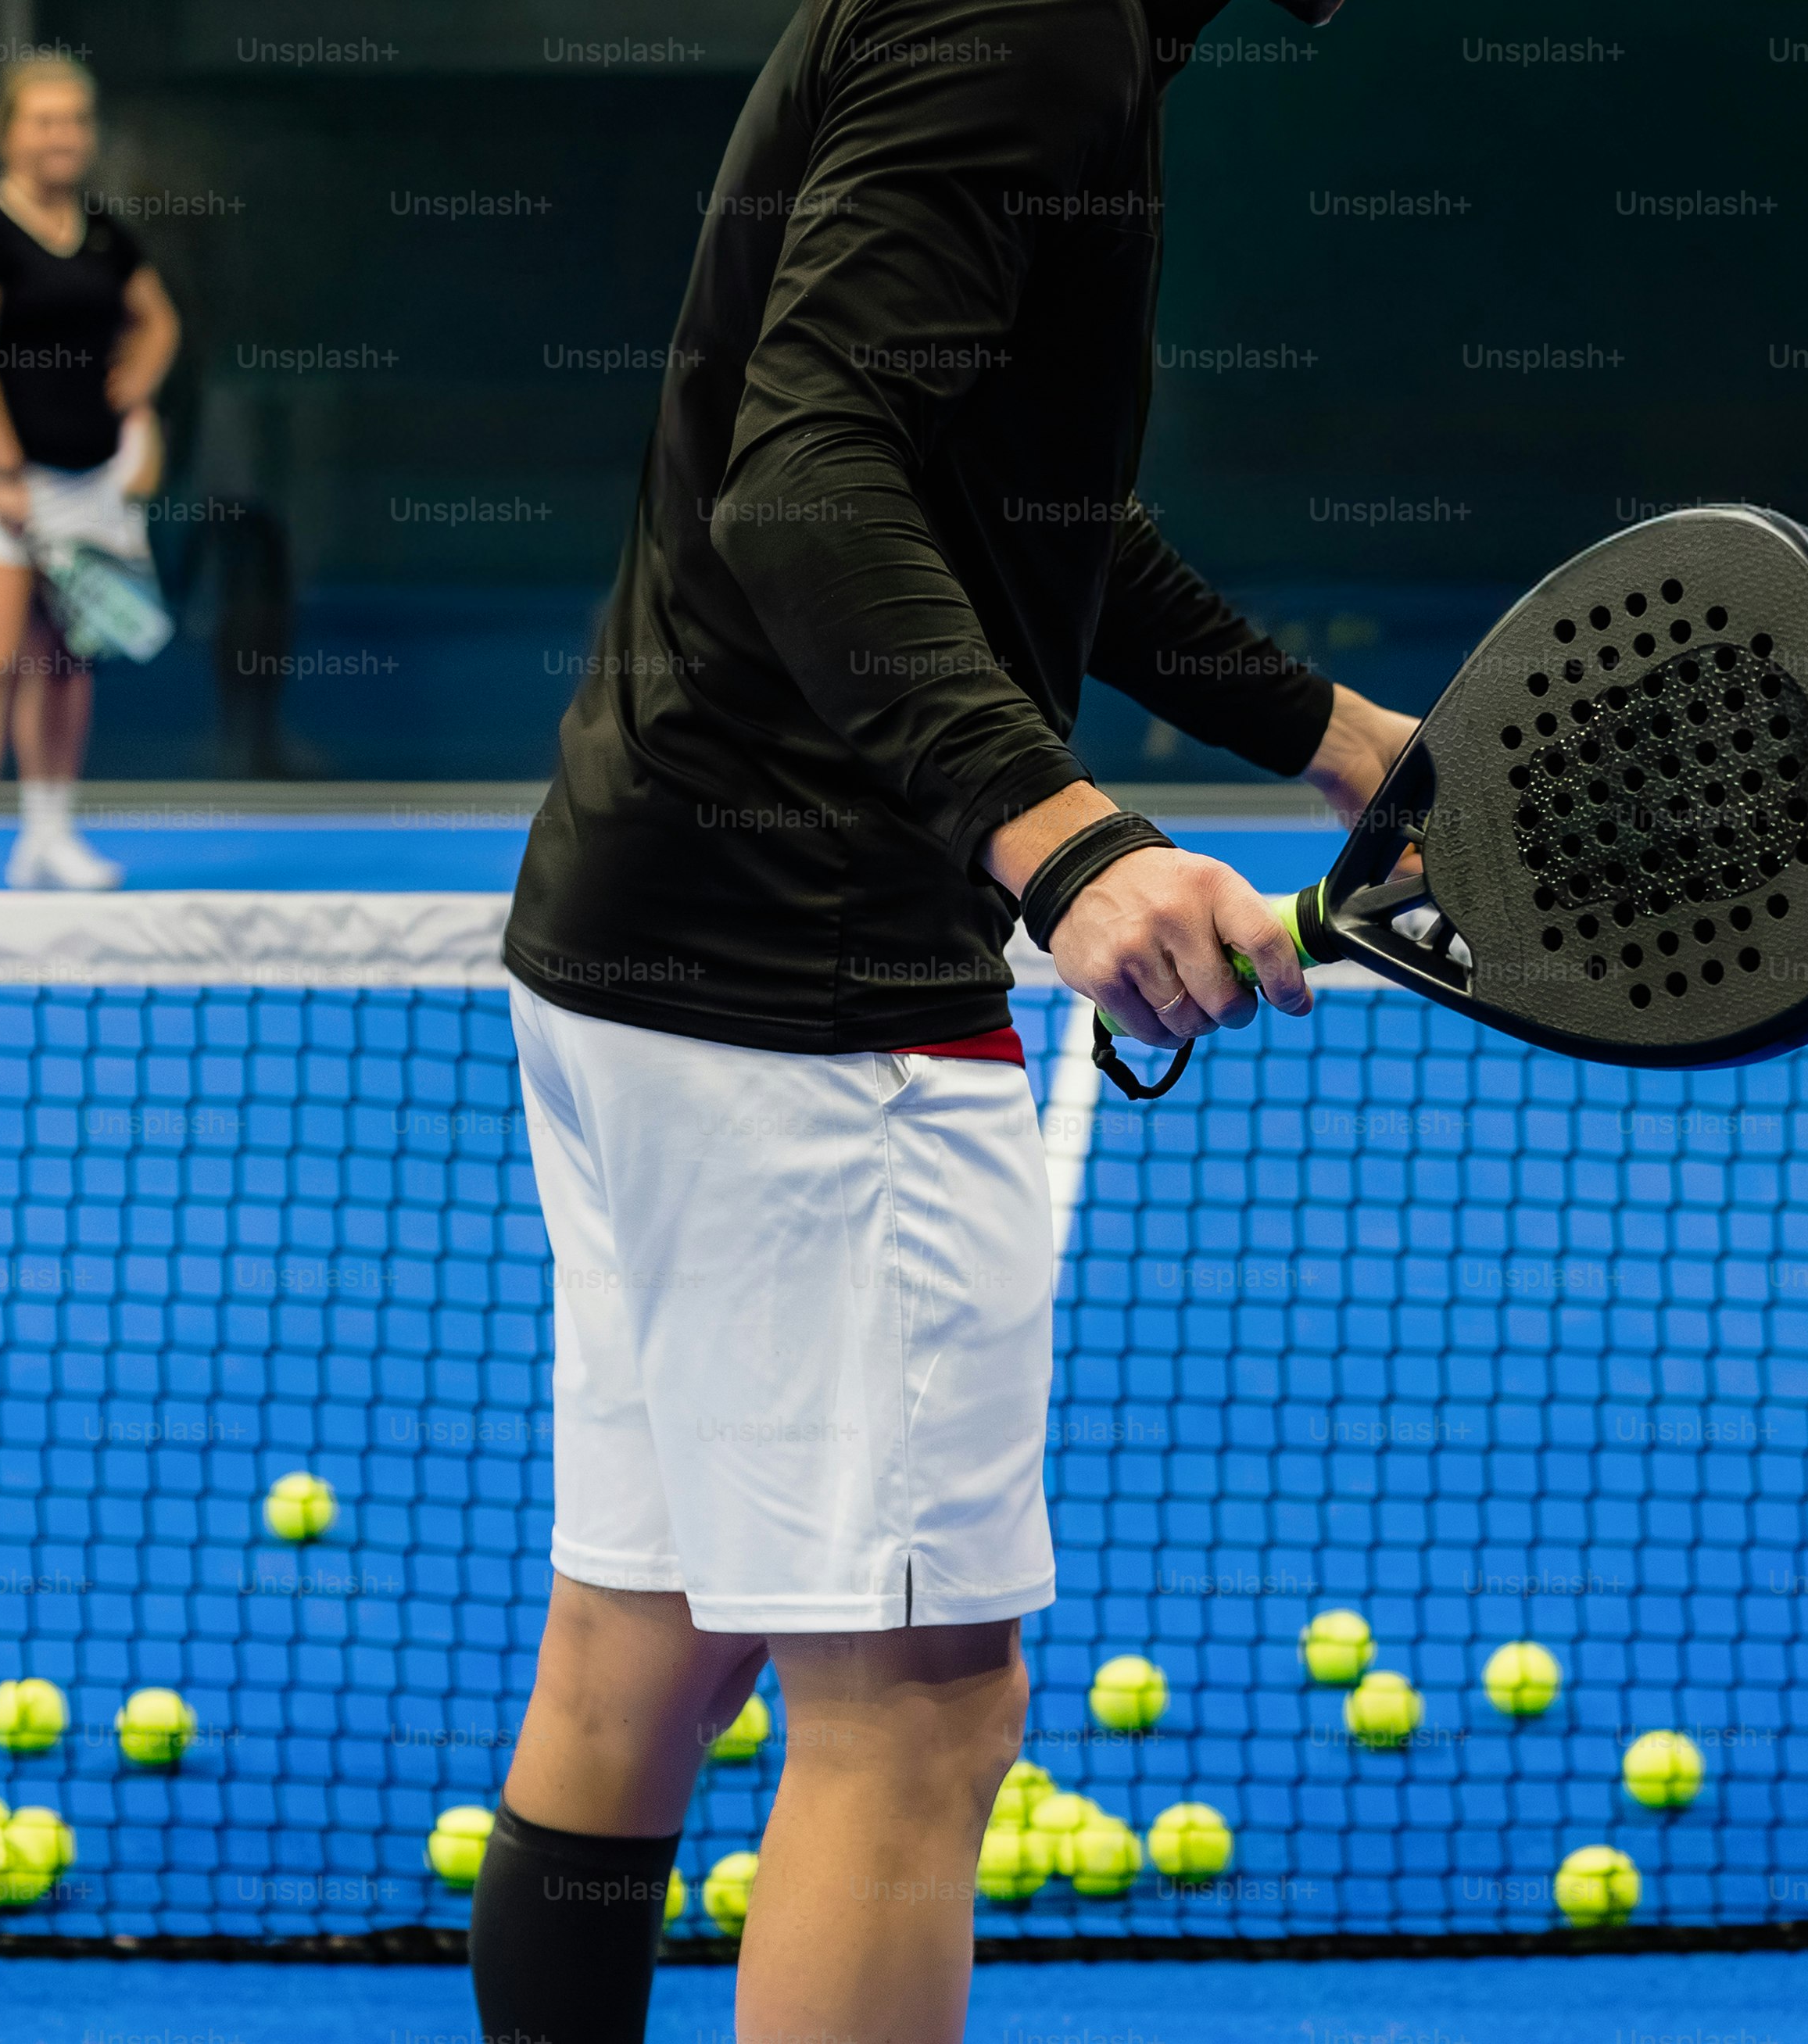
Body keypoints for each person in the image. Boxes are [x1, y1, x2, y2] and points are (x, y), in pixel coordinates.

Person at [479, 4, 1392, 2043]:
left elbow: (1007, 499)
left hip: (640, 934)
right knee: (916, 1710)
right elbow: (807, 483)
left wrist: (1334, 738)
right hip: (815, 992)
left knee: (640, 1643)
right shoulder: (1034, 24)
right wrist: (1061, 839)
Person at [0, 53, 177, 897]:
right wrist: (6, 468)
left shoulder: (106, 233)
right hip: (6, 483)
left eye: (76, 121)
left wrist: (136, 393)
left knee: (68, 663)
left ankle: (48, 838)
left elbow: (158, 322)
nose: (64, 136)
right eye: (45, 120)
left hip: (98, 483)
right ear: (8, 131)